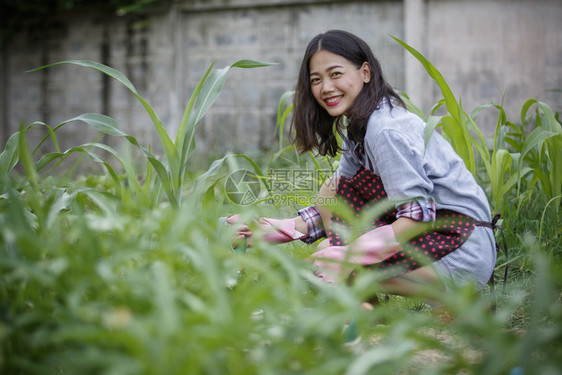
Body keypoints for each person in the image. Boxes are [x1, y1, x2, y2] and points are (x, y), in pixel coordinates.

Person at [227, 30, 496, 307]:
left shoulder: (385, 130)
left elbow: (417, 216)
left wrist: (350, 256)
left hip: (462, 250)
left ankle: (454, 300)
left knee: (330, 254)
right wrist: (270, 230)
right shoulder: (361, 128)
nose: (326, 87)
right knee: (330, 203)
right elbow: (335, 205)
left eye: (335, 74)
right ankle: (370, 312)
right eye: (316, 79)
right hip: (439, 239)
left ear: (365, 72)